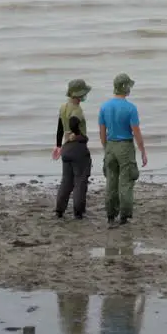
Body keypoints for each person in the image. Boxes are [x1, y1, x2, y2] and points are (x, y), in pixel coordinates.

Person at [98, 72, 147, 227]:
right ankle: (124, 216)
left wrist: (106, 147)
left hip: (111, 145)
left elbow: (102, 130)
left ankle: (111, 215)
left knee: (111, 180)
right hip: (125, 146)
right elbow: (136, 131)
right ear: (125, 88)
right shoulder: (130, 108)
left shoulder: (104, 107)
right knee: (125, 181)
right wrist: (142, 150)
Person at [52, 79, 92, 219]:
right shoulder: (77, 109)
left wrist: (58, 145)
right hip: (78, 149)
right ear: (80, 95)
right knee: (80, 181)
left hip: (66, 148)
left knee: (66, 181)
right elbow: (73, 121)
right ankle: (78, 212)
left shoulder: (63, 107)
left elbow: (60, 128)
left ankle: (59, 210)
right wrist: (79, 134)